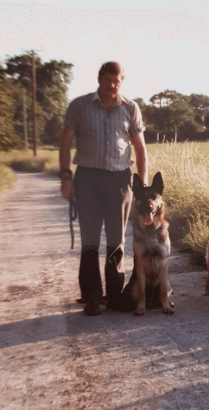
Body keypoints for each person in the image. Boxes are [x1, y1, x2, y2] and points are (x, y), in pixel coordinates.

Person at [59, 61, 148, 316]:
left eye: (117, 81)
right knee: (89, 242)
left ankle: (114, 296)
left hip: (119, 181)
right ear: (99, 79)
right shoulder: (80, 105)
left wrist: (141, 185)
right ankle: (92, 298)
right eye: (108, 80)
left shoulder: (130, 108)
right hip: (87, 179)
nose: (113, 85)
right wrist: (66, 176)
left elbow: (140, 149)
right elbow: (65, 143)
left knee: (116, 241)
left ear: (121, 82)